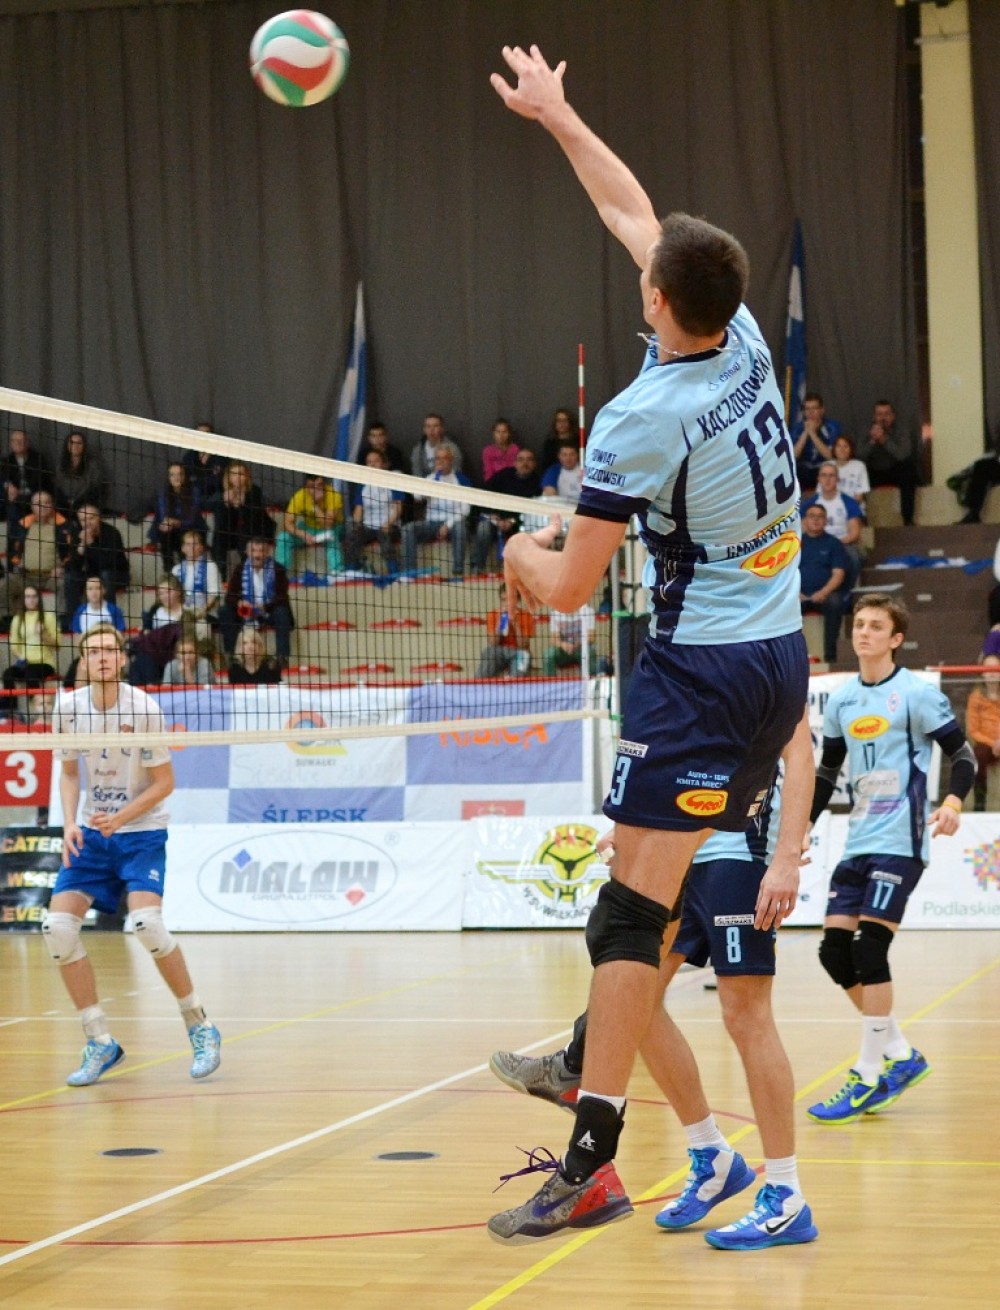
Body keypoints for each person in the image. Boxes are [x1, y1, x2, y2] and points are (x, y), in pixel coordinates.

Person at [486, 44, 808, 1245]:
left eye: (646, 271)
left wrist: (520, 549)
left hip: (700, 671)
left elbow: (571, 587)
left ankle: (593, 1159)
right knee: (638, 911)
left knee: (625, 916)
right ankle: (603, 1060)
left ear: (658, 301)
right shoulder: (745, 341)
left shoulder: (639, 417)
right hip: (774, 658)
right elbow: (632, 210)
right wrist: (560, 116)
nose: (638, 261)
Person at [491, 713, 816, 1249]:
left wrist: (786, 856)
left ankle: (786, 1194)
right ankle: (710, 1153)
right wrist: (632, 834)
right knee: (638, 1000)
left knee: (746, 1016)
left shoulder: (765, 667)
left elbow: (799, 754)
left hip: (738, 857)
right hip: (677, 856)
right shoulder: (689, 677)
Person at [806, 594, 974, 1123]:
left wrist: (952, 803)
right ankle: (900, 1053)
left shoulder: (917, 695)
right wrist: (799, 832)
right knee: (835, 953)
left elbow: (963, 755)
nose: (864, 632)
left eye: (876, 626)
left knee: (869, 948)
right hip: (857, 840)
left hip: (901, 841)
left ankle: (868, 1072)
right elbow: (826, 773)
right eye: (859, 624)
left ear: (896, 639)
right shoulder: (842, 700)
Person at [43, 623, 221, 1085]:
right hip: (92, 832)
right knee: (57, 929)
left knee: (147, 924)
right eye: (93, 651)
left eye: (110, 650)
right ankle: (100, 1041)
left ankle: (200, 1025)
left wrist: (120, 818)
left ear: (122, 659)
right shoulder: (67, 707)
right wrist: (69, 823)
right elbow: (69, 773)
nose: (102, 657)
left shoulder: (143, 708)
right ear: (83, 661)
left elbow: (165, 783)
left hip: (141, 831)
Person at [217, 536, 294, 664]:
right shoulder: (240, 568)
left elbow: (282, 597)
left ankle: (282, 658)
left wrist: (264, 607)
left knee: (282, 612)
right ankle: (233, 656)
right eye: (253, 551)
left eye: (261, 551)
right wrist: (240, 603)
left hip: (269, 611)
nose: (257, 555)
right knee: (225, 611)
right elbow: (230, 596)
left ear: (268, 552)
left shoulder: (278, 569)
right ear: (247, 552)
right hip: (246, 612)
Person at [401, 445, 473, 579]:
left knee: (460, 529)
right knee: (408, 529)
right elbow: (417, 497)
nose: (441, 462)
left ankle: (458, 571)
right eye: (438, 459)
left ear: (451, 460)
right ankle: (410, 573)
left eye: (444, 458)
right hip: (431, 523)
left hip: (453, 523)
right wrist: (434, 480)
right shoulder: (430, 478)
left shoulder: (461, 479)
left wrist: (447, 525)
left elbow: (465, 510)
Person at [471, 448, 542, 572]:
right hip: (496, 520)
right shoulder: (503, 476)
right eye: (521, 460)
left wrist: (513, 521)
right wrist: (491, 515)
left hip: (521, 524)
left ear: (534, 464)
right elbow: (484, 494)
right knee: (483, 527)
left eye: (529, 460)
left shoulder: (538, 483)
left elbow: (534, 512)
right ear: (515, 463)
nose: (525, 463)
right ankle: (477, 568)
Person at [4, 490, 72, 611]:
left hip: (52, 577)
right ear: (32, 507)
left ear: (52, 505)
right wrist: (16, 563)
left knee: (67, 583)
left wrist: (62, 568)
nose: (43, 506)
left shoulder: (64, 525)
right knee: (5, 584)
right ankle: (7, 619)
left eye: (47, 502)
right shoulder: (22, 524)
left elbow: (72, 553)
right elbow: (11, 551)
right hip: (26, 575)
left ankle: (63, 620)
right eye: (38, 503)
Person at [63, 502, 130, 623]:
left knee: (106, 575)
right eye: (83, 520)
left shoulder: (111, 533)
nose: (87, 522)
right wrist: (80, 550)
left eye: (91, 518)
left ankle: (108, 620)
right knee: (70, 577)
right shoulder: (77, 533)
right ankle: (74, 622)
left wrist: (91, 544)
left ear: (99, 518)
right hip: (92, 575)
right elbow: (73, 567)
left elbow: (107, 563)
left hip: (117, 574)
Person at [801, 461, 864, 587]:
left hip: (842, 544)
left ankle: (847, 591)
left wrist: (834, 545)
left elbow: (854, 533)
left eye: (831, 475)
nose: (827, 479)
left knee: (854, 556)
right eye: (824, 475)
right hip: (815, 543)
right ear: (818, 479)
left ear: (838, 479)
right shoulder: (809, 504)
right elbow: (803, 530)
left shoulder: (848, 502)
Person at [799, 503, 849, 664]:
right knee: (782, 605)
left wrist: (823, 592)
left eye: (820, 517)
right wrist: (795, 593)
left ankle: (830, 656)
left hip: (825, 595)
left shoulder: (834, 543)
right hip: (798, 595)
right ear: (805, 520)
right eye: (811, 516)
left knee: (835, 602)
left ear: (826, 521)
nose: (816, 520)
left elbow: (838, 574)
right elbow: (785, 573)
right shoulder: (794, 543)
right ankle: (792, 657)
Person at [344, 449, 405, 575]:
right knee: (353, 535)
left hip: (390, 526)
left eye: (376, 461)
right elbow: (358, 510)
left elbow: (398, 508)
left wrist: (388, 524)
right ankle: (351, 570)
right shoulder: (362, 485)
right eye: (369, 462)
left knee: (384, 535)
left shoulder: (392, 481)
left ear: (383, 464)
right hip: (369, 526)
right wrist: (356, 525)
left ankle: (394, 571)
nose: (372, 465)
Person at [856, 401, 918, 527]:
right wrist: (873, 441)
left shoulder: (901, 430)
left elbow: (903, 454)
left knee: (908, 468)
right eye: (879, 414)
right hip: (873, 471)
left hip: (894, 470)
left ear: (893, 416)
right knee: (857, 470)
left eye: (886, 414)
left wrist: (884, 439)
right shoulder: (866, 430)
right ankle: (861, 519)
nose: (883, 418)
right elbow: (858, 455)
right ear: (874, 417)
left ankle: (907, 519)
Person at [208, 461, 273, 579]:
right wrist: (224, 501)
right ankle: (221, 577)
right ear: (228, 477)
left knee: (244, 535)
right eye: (234, 474)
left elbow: (256, 519)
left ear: (246, 476)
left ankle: (248, 575)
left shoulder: (254, 491)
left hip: (251, 532)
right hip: (229, 533)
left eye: (241, 474)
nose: (237, 477)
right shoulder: (222, 491)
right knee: (218, 537)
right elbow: (207, 504)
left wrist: (243, 505)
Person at [273, 474, 344, 579]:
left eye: (319, 485)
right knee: (283, 538)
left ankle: (337, 573)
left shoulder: (334, 495)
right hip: (308, 528)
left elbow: (328, 524)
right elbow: (288, 523)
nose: (315, 490)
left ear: (324, 485)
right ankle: (280, 575)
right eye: (311, 486)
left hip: (331, 527)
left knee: (331, 536)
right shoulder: (300, 496)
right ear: (306, 487)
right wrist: (302, 534)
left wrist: (315, 505)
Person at [2, 584, 60, 713]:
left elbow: (57, 645)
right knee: (7, 674)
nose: (31, 600)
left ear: (39, 599)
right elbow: (14, 645)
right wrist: (21, 657)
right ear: (23, 599)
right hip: (25, 663)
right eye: (28, 597)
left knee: (30, 673)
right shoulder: (17, 619)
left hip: (45, 663)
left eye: (34, 596)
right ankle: (12, 711)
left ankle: (36, 710)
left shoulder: (48, 617)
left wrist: (43, 634)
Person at [148, 462, 205, 570]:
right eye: (172, 475)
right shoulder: (163, 493)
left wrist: (175, 522)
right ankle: (169, 571)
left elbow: (191, 520)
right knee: (164, 533)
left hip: (192, 530)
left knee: (184, 536)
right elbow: (164, 517)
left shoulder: (194, 492)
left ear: (185, 476)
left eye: (180, 474)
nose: (176, 477)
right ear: (168, 478)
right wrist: (168, 524)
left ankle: (187, 570)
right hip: (172, 532)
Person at [963, 653, 1000, 811]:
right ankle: (980, 804)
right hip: (987, 743)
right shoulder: (976, 697)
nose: (992, 673)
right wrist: (993, 743)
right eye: (988, 669)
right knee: (979, 755)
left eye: (995, 668)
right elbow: (973, 730)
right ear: (982, 673)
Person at [1, 428, 54, 536]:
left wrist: (19, 494)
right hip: (13, 499)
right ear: (11, 443)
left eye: (21, 440)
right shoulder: (7, 461)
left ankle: (19, 538)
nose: (18, 443)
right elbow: (3, 478)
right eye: (15, 441)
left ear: (27, 442)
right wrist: (8, 486)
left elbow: (40, 482)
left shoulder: (38, 459)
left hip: (33, 496)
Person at [475, 583, 535, 678]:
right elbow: (492, 643)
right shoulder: (492, 615)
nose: (507, 603)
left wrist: (515, 623)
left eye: (510, 599)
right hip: (499, 652)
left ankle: (514, 681)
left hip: (518, 652)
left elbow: (523, 646)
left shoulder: (526, 616)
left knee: (524, 656)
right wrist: (501, 621)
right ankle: (480, 682)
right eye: (503, 600)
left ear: (517, 600)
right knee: (489, 652)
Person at [171, 528, 222, 634]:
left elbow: (213, 596)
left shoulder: (210, 566)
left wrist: (201, 611)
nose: (191, 547)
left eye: (195, 544)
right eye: (188, 544)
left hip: (204, 612)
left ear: (201, 548)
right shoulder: (176, 569)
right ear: (183, 548)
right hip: (180, 612)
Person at [790, 392, 841, 493]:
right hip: (802, 469)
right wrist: (806, 432)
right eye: (807, 409)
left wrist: (812, 434)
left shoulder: (832, 426)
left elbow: (831, 456)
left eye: (814, 408)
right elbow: (793, 456)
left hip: (824, 468)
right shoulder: (797, 428)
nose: (810, 412)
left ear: (822, 410)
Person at [54, 431, 107, 515]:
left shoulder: (92, 465)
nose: (75, 446)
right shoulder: (60, 465)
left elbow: (95, 488)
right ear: (67, 445)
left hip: (84, 505)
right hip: (62, 505)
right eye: (72, 443)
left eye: (79, 443)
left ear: (84, 446)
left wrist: (77, 502)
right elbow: (57, 486)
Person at [543, 601, 597, 675]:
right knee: (548, 655)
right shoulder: (555, 613)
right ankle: (550, 681)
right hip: (563, 650)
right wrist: (563, 645)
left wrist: (577, 644)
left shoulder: (588, 611)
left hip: (581, 648)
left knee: (589, 652)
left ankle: (590, 679)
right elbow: (554, 639)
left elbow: (591, 637)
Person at [409, 413, 464, 479]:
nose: (431, 430)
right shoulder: (418, 449)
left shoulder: (452, 449)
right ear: (424, 429)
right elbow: (416, 473)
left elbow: (456, 472)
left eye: (435, 426)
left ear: (441, 429)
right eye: (428, 426)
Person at [182, 426, 228, 499]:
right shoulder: (189, 457)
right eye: (200, 434)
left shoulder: (221, 456)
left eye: (206, 434)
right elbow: (187, 480)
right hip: (193, 496)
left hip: (217, 496)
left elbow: (219, 481)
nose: (203, 437)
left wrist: (197, 480)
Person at [832, 434, 870, 512]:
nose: (842, 449)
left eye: (845, 446)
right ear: (834, 449)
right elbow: (821, 494)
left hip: (853, 509)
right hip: (831, 509)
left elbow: (859, 497)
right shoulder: (827, 466)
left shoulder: (859, 466)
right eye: (839, 446)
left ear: (851, 449)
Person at [541, 439, 584, 504]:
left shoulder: (586, 470)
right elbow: (549, 493)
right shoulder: (554, 471)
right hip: (561, 506)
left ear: (577, 455)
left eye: (572, 454)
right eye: (564, 455)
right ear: (559, 456)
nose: (568, 458)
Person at [540, 407, 579, 472]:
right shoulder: (549, 443)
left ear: (570, 422)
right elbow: (545, 464)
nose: (562, 424)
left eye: (565, 420)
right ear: (555, 423)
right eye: (559, 420)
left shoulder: (578, 441)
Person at [482, 418, 521, 484]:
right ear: (493, 433)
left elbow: (518, 470)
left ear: (509, 433)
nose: (501, 435)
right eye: (498, 432)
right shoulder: (488, 451)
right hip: (495, 483)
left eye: (504, 432)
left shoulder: (515, 449)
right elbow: (488, 472)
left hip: (513, 483)